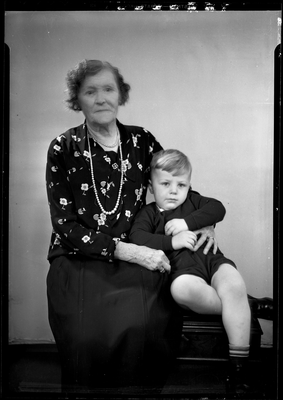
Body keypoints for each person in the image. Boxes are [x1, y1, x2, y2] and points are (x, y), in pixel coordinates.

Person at [45, 60, 217, 391]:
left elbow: (172, 185)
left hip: (141, 250)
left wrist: (201, 220)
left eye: (108, 89)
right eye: (90, 91)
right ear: (76, 99)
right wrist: (131, 252)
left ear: (121, 94)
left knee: (141, 327)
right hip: (79, 259)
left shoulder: (142, 141)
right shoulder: (62, 148)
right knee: (84, 337)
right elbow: (65, 225)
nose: (100, 99)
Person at [129, 149, 251, 394]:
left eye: (181, 184)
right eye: (165, 183)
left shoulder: (194, 202)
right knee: (182, 290)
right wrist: (171, 242)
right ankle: (246, 305)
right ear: (151, 187)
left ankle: (239, 370)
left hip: (213, 262)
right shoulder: (150, 213)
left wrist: (187, 223)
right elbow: (137, 237)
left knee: (233, 284)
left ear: (189, 186)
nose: (174, 191)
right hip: (185, 272)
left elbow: (218, 208)